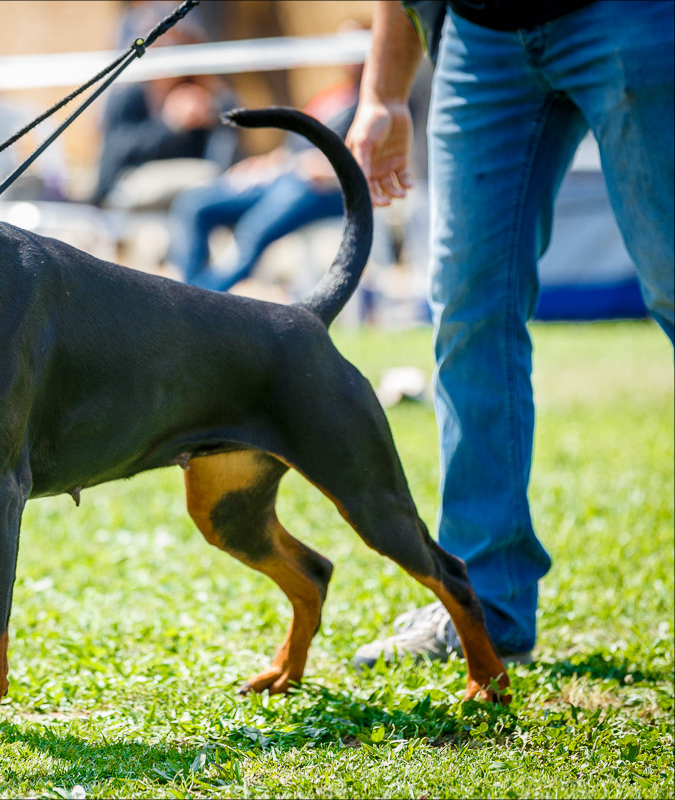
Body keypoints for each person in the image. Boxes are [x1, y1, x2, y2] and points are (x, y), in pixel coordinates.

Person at [345, 1, 674, 666]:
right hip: (481, 35)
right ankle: (485, 606)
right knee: (468, 310)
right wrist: (382, 90)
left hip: (627, 14)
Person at [166, 58, 362, 294]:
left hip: (322, 189)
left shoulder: (372, 107)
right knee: (193, 203)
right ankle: (187, 291)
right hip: (285, 175)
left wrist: (310, 167)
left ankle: (202, 297)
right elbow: (294, 149)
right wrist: (263, 165)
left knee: (252, 230)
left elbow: (357, 164)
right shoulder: (330, 97)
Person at [90, 2, 238, 210]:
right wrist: (169, 125)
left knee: (207, 182)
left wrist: (212, 115)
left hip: (195, 184)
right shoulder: (134, 95)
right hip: (133, 179)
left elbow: (222, 157)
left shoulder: (210, 96)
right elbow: (117, 150)